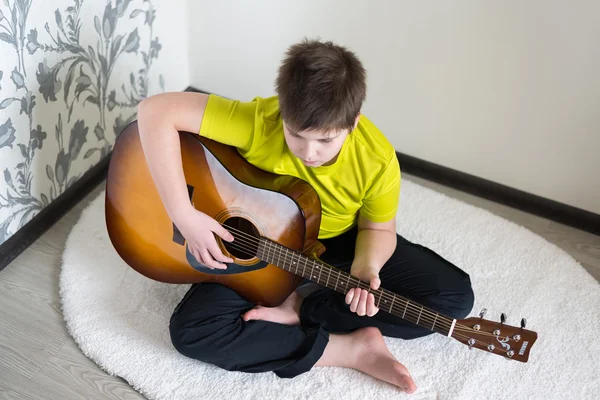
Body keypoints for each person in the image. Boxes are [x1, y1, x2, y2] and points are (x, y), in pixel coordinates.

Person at [136, 38, 474, 394]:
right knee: (193, 331)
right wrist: (183, 213)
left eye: (326, 141)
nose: (308, 152)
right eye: (296, 135)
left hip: (334, 243)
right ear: (282, 110)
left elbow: (377, 227)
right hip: (265, 242)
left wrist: (366, 268)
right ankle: (347, 349)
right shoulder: (259, 121)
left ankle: (302, 305)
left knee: (452, 303)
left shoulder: (377, 159)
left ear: (353, 123)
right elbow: (154, 111)